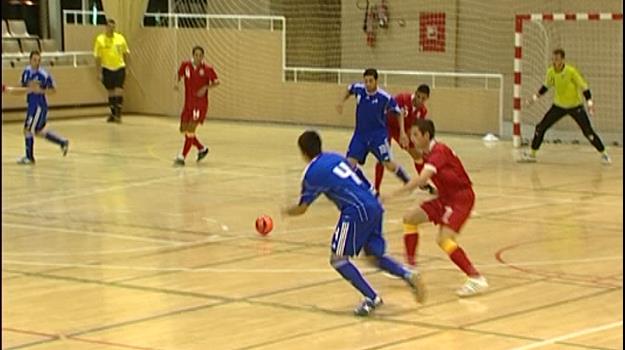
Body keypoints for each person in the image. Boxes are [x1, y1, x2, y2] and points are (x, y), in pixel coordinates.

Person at [281, 130, 426, 316]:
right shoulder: (335, 157)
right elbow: (358, 173)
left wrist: (286, 211)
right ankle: (407, 274)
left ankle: (372, 297)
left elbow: (302, 208)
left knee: (338, 259)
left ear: (303, 152)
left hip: (356, 211)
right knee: (373, 256)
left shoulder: (312, 173)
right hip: (374, 205)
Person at [383, 119, 488, 297]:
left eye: (416, 135)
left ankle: (475, 277)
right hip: (444, 197)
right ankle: (411, 268)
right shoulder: (426, 153)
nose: (412, 138)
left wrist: (394, 193)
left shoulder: (439, 152)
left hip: (461, 198)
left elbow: (423, 179)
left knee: (444, 239)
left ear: (426, 135)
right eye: (411, 135)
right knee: (410, 218)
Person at [521, 48, 611, 164]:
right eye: (553, 59)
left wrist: (589, 103)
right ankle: (532, 154)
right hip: (558, 106)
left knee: (588, 132)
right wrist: (533, 99)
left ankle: (604, 154)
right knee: (540, 127)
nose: (554, 62)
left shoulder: (571, 71)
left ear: (563, 60)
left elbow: (584, 87)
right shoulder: (551, 72)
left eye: (557, 59)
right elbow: (545, 87)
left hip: (575, 106)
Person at [336, 68, 411, 188]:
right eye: (365, 81)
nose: (367, 84)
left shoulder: (384, 97)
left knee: (388, 164)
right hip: (360, 135)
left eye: (370, 81)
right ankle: (368, 187)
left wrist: (402, 132)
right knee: (349, 164)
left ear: (376, 81)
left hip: (378, 136)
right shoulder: (359, 89)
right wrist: (341, 102)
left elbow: (398, 112)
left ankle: (407, 180)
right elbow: (349, 89)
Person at [3, 51, 69, 165]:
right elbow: (23, 89)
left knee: (27, 130)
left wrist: (41, 91)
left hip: (38, 106)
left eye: (39, 60)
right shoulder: (26, 72)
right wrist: (8, 90)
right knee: (38, 131)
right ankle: (62, 142)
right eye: (34, 60)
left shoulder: (44, 75)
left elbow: (54, 90)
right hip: (31, 105)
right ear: (30, 60)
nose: (37, 62)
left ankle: (29, 157)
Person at [374, 84, 431, 194]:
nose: (420, 100)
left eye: (423, 99)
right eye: (419, 97)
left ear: (426, 99)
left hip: (404, 131)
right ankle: (376, 189)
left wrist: (417, 143)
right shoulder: (402, 98)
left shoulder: (422, 111)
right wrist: (402, 133)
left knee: (418, 155)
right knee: (383, 157)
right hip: (387, 126)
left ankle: (422, 182)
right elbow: (393, 112)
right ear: (416, 93)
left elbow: (415, 128)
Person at [173, 46, 219, 166]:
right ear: (192, 55)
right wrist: (176, 83)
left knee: (190, 130)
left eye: (200, 55)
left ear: (203, 56)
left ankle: (182, 157)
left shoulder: (207, 69)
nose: (198, 57)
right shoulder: (185, 65)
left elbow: (217, 82)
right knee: (183, 129)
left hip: (200, 105)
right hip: (188, 104)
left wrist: (205, 87)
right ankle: (201, 149)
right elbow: (178, 75)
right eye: (196, 55)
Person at [93, 19, 130, 123]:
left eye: (113, 27)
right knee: (111, 92)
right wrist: (98, 72)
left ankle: (118, 113)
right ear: (106, 27)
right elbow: (97, 57)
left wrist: (127, 68)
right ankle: (113, 113)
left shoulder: (120, 38)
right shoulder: (100, 39)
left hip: (119, 67)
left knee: (119, 90)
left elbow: (126, 53)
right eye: (110, 27)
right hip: (107, 68)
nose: (112, 29)